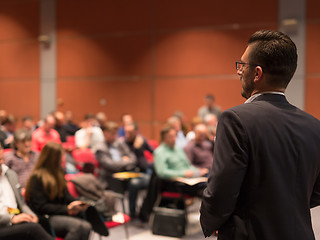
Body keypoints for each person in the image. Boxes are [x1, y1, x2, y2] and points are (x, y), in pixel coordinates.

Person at [200, 30, 320, 240]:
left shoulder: (235, 119)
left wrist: (212, 222)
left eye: (242, 65)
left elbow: (221, 191)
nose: (239, 72)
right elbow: (317, 191)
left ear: (257, 73)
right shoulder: (314, 126)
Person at [25, 142, 93, 240]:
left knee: (87, 226)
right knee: (77, 227)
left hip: (61, 213)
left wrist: (76, 203)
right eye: (60, 157)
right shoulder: (37, 178)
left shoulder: (59, 172)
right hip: (47, 217)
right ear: (53, 159)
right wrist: (66, 209)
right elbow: (41, 207)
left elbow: (66, 196)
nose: (62, 159)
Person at [0, 148, 53, 240]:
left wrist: (31, 215)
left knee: (43, 221)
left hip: (16, 216)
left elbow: (22, 203)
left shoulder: (10, 174)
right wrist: (11, 219)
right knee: (32, 229)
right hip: (3, 224)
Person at [154, 126, 208, 196]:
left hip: (189, 180)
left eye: (175, 136)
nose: (174, 139)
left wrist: (198, 171)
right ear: (164, 138)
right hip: (174, 183)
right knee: (207, 188)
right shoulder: (160, 152)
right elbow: (162, 172)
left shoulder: (178, 149)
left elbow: (188, 166)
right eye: (171, 136)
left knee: (210, 180)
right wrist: (183, 173)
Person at [123, 122, 154, 219]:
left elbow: (153, 151)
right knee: (135, 183)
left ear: (136, 132)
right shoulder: (124, 143)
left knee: (156, 180)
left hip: (146, 169)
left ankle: (145, 210)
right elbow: (129, 159)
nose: (128, 135)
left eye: (130, 132)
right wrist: (135, 148)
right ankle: (132, 212)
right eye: (126, 132)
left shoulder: (142, 140)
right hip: (131, 172)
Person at [94, 121, 137, 189]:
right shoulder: (100, 148)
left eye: (116, 133)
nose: (115, 136)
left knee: (137, 182)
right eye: (112, 134)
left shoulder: (120, 143)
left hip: (124, 172)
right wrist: (124, 161)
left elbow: (133, 158)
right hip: (110, 177)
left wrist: (125, 162)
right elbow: (111, 166)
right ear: (105, 133)